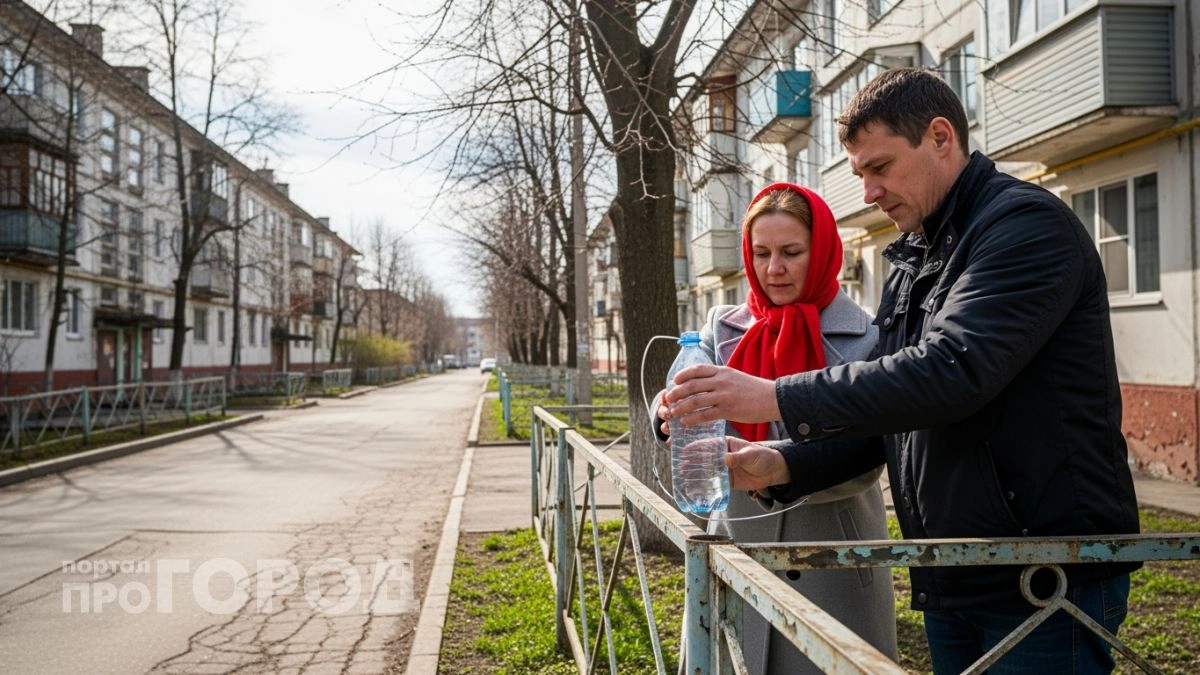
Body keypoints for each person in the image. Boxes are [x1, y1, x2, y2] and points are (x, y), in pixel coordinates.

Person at [660, 67, 1141, 674]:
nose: (867, 192)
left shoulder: (1023, 227)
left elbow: (948, 372)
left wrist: (772, 397)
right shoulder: (917, 253)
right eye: (860, 172)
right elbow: (892, 414)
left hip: (1043, 569)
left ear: (940, 137)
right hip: (955, 568)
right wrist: (784, 464)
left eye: (879, 168)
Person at [657, 183, 897, 674]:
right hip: (735, 548)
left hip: (835, 556)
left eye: (791, 252)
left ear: (825, 250)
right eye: (761, 253)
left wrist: (781, 464)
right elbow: (681, 400)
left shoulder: (870, 337)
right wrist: (666, 412)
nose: (774, 269)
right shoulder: (720, 328)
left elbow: (871, 452)